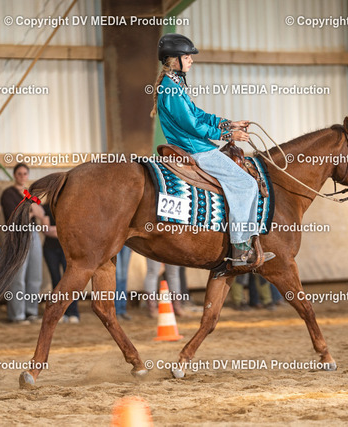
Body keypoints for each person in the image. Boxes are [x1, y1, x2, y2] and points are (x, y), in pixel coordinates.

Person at [151, 33, 273, 266]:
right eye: (187, 57)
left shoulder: (174, 84)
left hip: (195, 145)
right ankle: (240, 247)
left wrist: (229, 124)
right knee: (247, 184)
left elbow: (198, 114)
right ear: (174, 60)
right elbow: (192, 125)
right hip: (195, 149)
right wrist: (228, 135)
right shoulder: (171, 88)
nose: (191, 60)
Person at [1, 163, 47, 324]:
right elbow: (14, 217)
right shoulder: (8, 193)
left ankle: (31, 311)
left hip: (32, 233)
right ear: (15, 175)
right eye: (19, 173)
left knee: (35, 275)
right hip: (17, 234)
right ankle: (17, 314)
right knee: (18, 276)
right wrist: (31, 211)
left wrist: (31, 209)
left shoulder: (29, 194)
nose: (22, 176)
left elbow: (41, 214)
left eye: (25, 174)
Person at [42, 202, 79, 324]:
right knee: (56, 281)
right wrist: (63, 230)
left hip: (67, 249)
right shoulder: (46, 207)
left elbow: (74, 228)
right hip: (50, 249)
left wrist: (55, 229)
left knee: (70, 281)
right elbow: (46, 229)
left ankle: (73, 312)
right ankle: (58, 313)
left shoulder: (70, 205)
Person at [115, 246, 132, 320]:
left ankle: (122, 309)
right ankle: (117, 310)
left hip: (126, 244)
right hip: (114, 243)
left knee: (124, 277)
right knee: (118, 277)